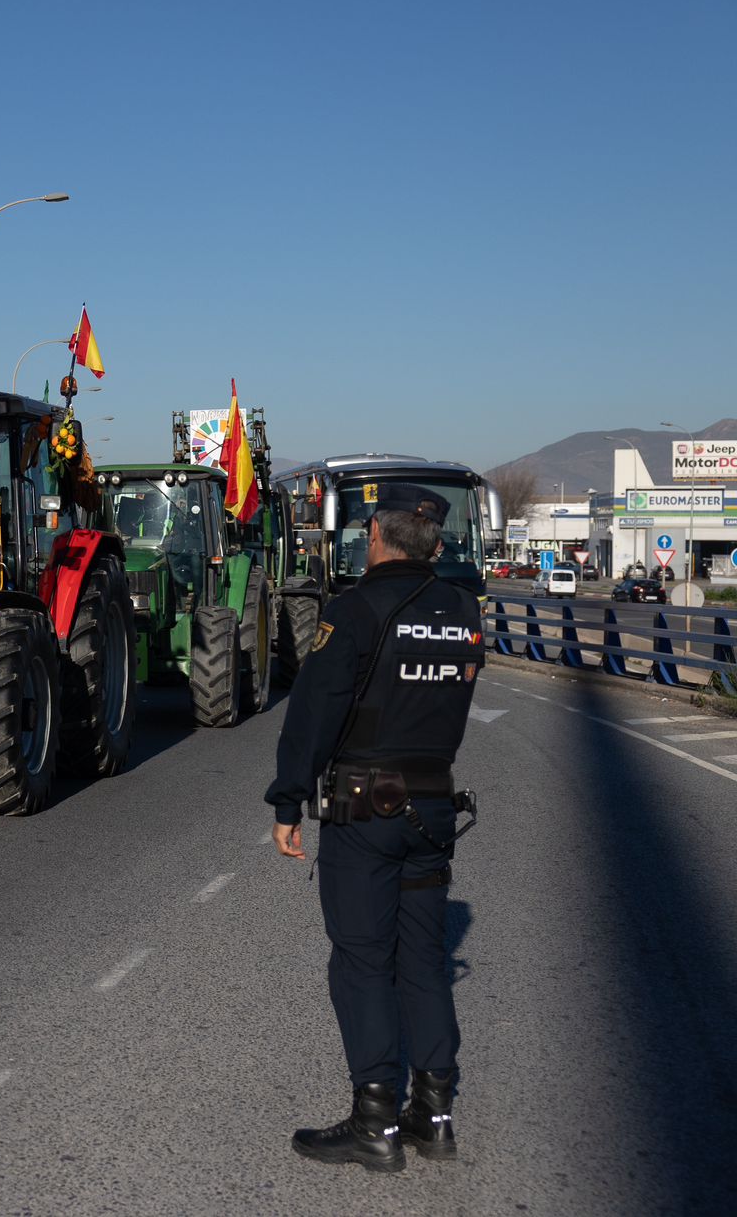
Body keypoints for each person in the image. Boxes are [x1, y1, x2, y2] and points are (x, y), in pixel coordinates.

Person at [266, 483, 485, 1172]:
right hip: (435, 808)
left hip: (367, 808)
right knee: (423, 962)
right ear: (436, 543)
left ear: (377, 538)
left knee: (362, 962)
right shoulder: (463, 611)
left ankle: (374, 1123)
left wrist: (287, 799)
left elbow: (316, 710)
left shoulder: (355, 609)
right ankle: (435, 1115)